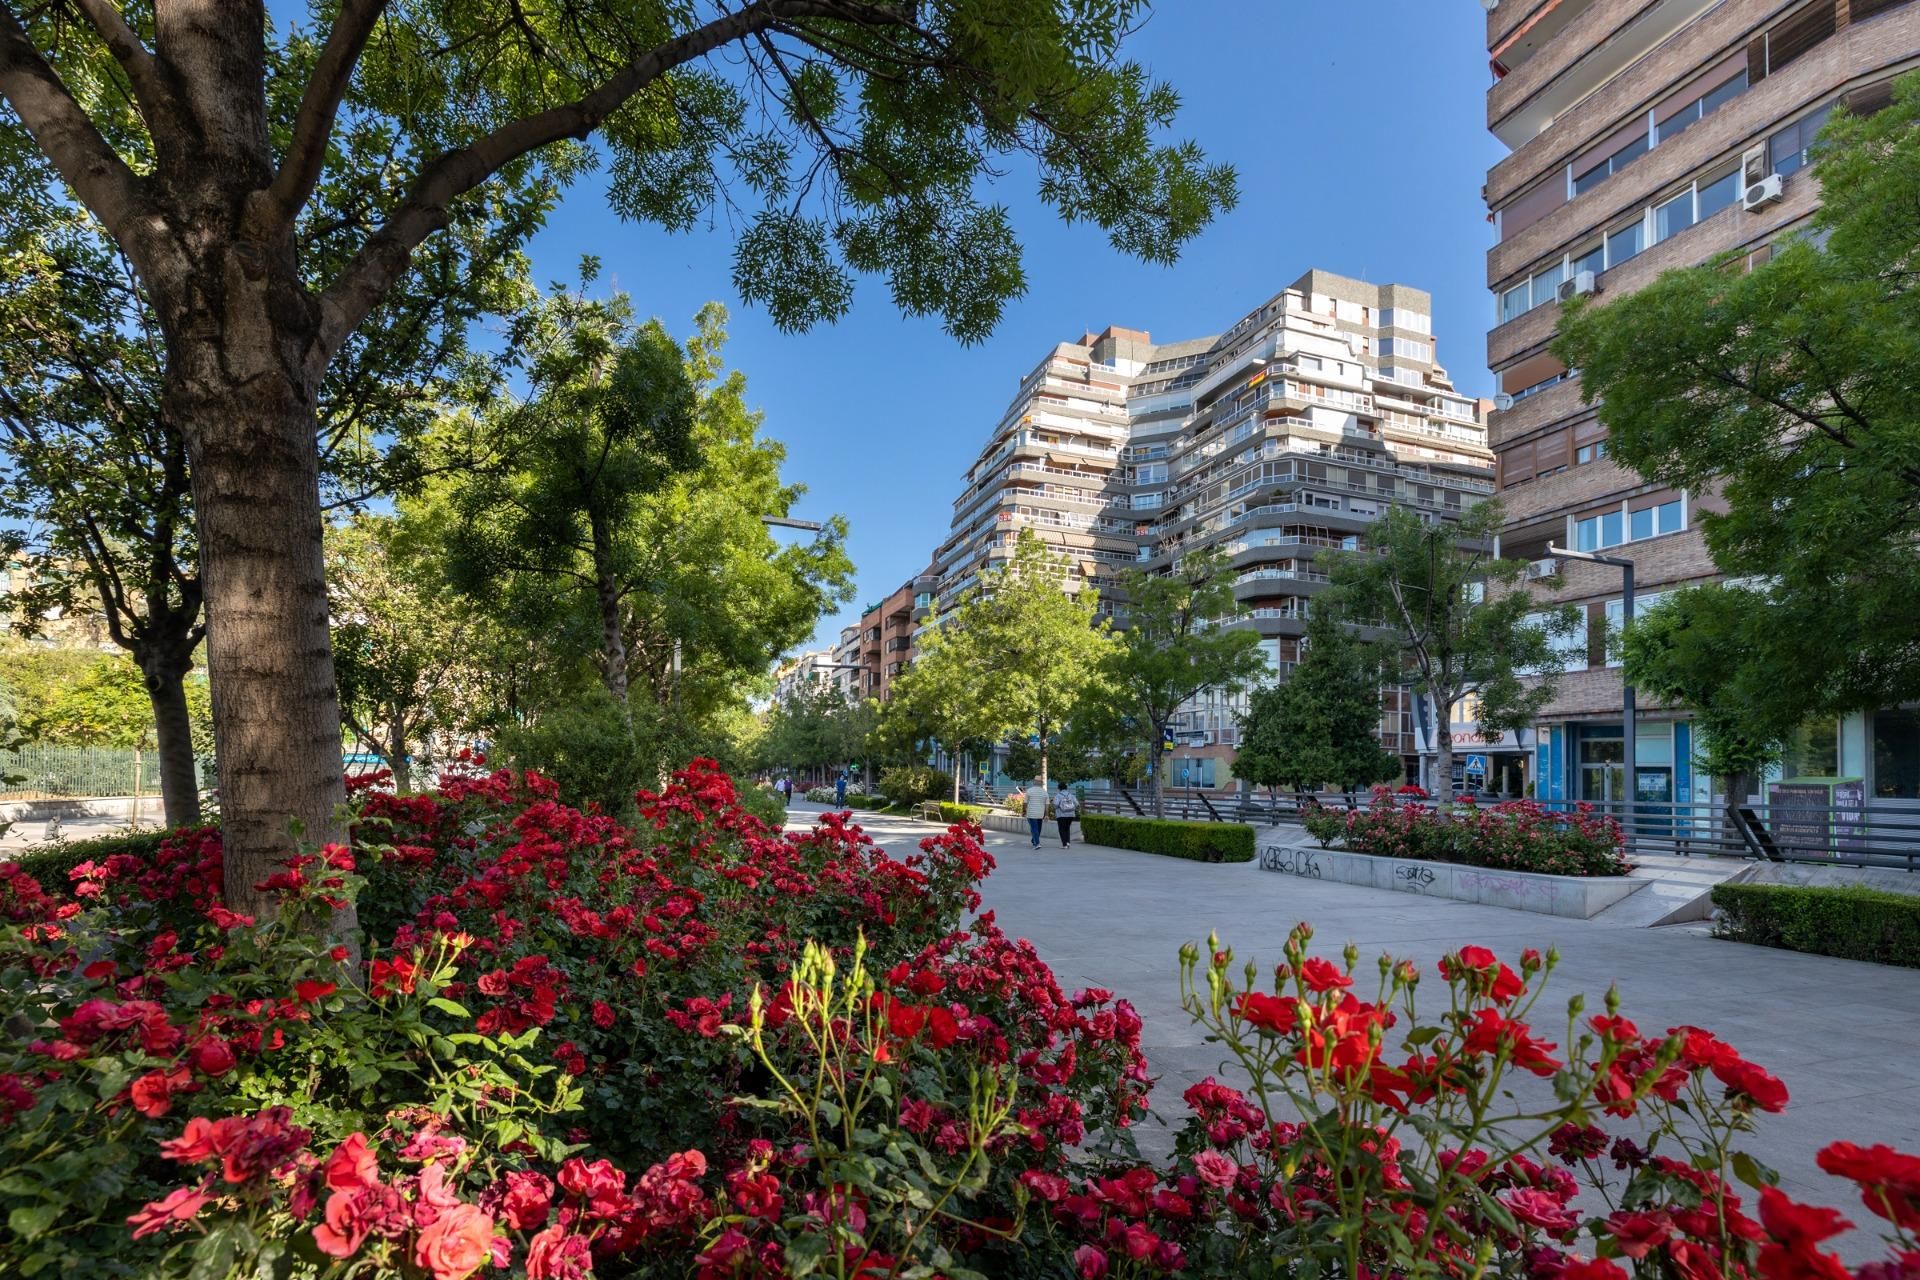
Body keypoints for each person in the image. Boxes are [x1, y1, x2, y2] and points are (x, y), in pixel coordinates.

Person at [1053, 780, 1079, 847]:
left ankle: (1064, 844)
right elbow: (1077, 804)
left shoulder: (1058, 795)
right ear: (1066, 788)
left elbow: (1055, 805)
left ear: (1059, 788)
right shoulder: (1071, 795)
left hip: (1061, 815)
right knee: (1067, 828)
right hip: (1071, 815)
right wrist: (1071, 808)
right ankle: (1068, 842)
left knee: (1062, 829)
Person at [1023, 782, 1048, 849]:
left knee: (1034, 828)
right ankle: (1034, 840)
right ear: (1041, 784)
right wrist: (1046, 814)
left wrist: (1024, 811)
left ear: (1034, 783)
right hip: (1040, 813)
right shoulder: (1044, 792)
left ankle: (1037, 843)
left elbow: (1025, 802)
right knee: (1038, 828)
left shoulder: (1029, 790)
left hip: (1031, 813)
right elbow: (1047, 804)